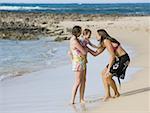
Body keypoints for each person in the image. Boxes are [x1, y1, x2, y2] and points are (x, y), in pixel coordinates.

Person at [87, 29, 130, 101]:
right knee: (103, 73)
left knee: (107, 76)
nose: (95, 36)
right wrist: (87, 49)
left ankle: (116, 93)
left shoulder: (106, 41)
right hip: (118, 59)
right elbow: (95, 54)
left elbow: (112, 56)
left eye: (97, 35)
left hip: (124, 59)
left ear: (101, 35)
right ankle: (108, 95)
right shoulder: (103, 43)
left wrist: (109, 69)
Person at [69, 26, 87, 104]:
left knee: (83, 80)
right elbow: (83, 52)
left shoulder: (76, 39)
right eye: (80, 31)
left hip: (81, 61)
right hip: (78, 62)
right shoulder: (74, 41)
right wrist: (86, 49)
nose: (81, 33)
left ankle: (81, 99)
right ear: (78, 32)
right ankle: (72, 100)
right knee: (78, 81)